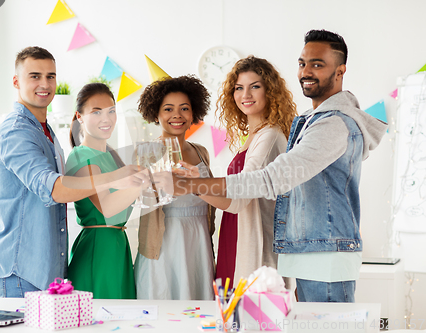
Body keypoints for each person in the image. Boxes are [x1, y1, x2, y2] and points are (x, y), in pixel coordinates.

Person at [167, 30, 388, 302]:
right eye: (302, 63)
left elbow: (271, 179)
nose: (306, 71)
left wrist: (190, 184)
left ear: (340, 71)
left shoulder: (332, 124)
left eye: (317, 64)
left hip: (324, 253)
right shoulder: (311, 121)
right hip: (310, 253)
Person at [0, 47, 146, 298]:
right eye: (35, 76)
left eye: (50, 76)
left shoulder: (46, 132)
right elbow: (56, 189)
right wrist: (122, 176)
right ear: (16, 82)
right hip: (21, 272)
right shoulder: (16, 132)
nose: (44, 83)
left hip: (47, 269)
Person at [200, 56, 296, 289]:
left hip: (254, 241)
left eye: (255, 87)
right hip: (236, 233)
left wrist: (194, 186)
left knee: (251, 315)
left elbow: (237, 198)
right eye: (239, 88)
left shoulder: (270, 135)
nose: (246, 95)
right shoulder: (254, 136)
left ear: (270, 91)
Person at [134, 75, 216, 300]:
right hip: (164, 244)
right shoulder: (146, 152)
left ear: (193, 114)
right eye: (168, 109)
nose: (177, 115)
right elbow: (138, 201)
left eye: (184, 108)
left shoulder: (201, 152)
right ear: (156, 114)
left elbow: (211, 197)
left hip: (198, 243)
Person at [65, 83, 142, 299]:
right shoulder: (82, 155)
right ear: (79, 116)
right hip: (98, 249)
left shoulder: (112, 156)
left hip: (117, 246)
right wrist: (144, 182)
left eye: (111, 111)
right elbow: (107, 207)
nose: (106, 119)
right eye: (96, 112)